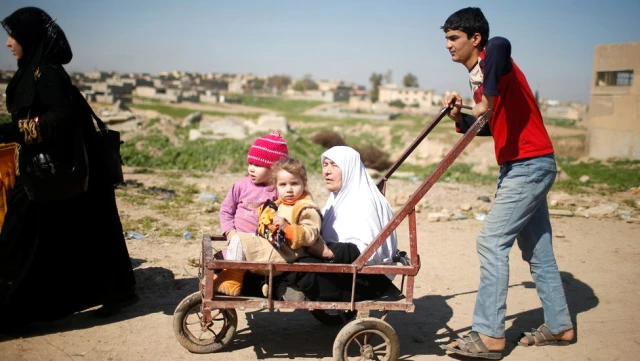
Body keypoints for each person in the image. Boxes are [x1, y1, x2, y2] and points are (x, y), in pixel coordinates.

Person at [438, 7, 574, 359]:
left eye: (454, 38)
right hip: (522, 165)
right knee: (538, 252)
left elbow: (501, 42)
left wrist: (487, 98)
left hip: (529, 165)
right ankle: (560, 325)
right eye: (447, 38)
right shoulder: (479, 76)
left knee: (491, 242)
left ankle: (490, 336)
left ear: (475, 39)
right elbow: (490, 123)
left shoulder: (493, 56)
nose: (448, 45)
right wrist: (460, 116)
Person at [0, 7, 136, 331]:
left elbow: (60, 119)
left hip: (62, 169)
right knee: (88, 232)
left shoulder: (45, 73)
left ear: (30, 38)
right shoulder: (36, 71)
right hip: (63, 168)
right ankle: (114, 293)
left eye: (13, 35)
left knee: (18, 239)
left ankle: (12, 312)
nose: (7, 43)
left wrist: (13, 131)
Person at [279, 146, 399, 302]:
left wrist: (327, 251)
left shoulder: (363, 201)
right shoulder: (337, 199)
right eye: (325, 164)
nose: (327, 171)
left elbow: (368, 253)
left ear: (350, 169)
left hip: (367, 280)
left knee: (300, 267)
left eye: (334, 165)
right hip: (347, 268)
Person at [216, 157, 326, 297]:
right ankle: (231, 276)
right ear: (276, 186)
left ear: (304, 183)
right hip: (274, 246)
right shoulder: (281, 203)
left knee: (239, 240)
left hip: (286, 253)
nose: (289, 190)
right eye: (283, 185)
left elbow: (311, 234)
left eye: (294, 183)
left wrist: (287, 228)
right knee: (235, 244)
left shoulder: (305, 208)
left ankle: (232, 279)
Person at [215, 131, 289, 295]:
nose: (252, 169)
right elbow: (226, 211)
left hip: (261, 246)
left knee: (262, 269)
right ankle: (228, 282)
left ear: (274, 169)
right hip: (237, 241)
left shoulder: (279, 191)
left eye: (259, 165)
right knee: (217, 261)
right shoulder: (240, 186)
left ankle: (259, 285)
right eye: (250, 163)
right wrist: (229, 231)